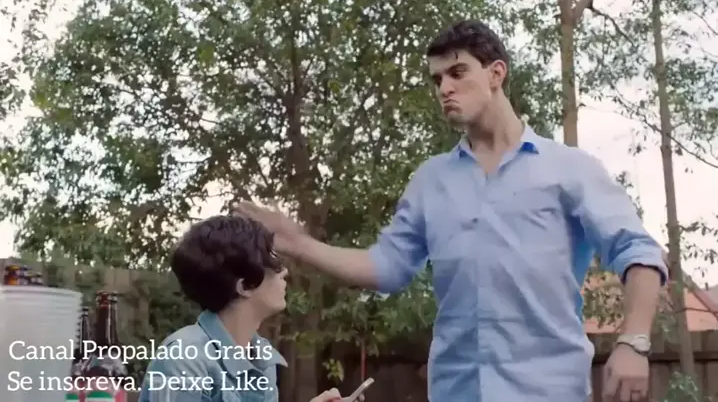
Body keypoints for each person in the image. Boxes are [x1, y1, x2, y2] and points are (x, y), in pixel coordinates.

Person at [236, 20, 668, 402]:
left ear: (496, 73)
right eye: (437, 78)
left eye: (457, 73)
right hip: (454, 390)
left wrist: (633, 341)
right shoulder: (431, 181)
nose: (444, 88)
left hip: (548, 391)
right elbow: (387, 267)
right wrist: (299, 243)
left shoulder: (569, 169)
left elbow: (639, 252)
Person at [138, 215, 363, 402]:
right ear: (244, 286)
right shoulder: (184, 359)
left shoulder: (262, 358)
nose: (284, 272)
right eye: (273, 262)